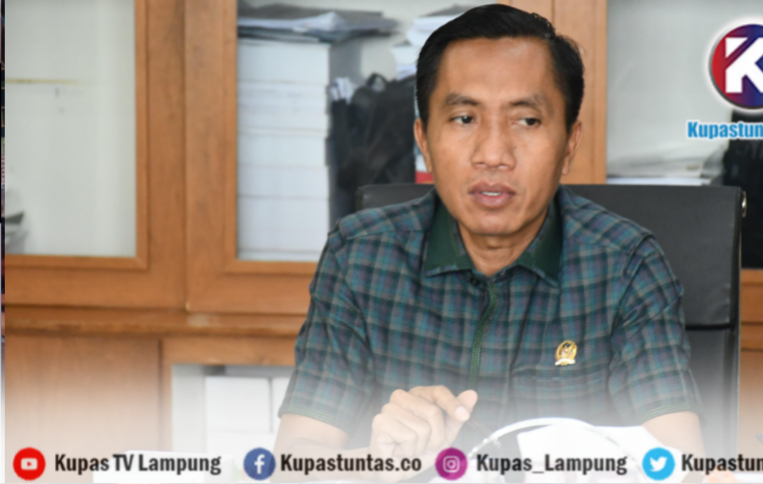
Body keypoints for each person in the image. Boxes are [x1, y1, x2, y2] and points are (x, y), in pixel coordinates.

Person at [273, 4, 705, 481]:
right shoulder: (360, 256)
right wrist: (376, 463)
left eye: (527, 120)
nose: (494, 154)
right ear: (424, 141)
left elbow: (680, 462)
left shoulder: (626, 265)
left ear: (569, 144)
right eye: (464, 118)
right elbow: (293, 463)